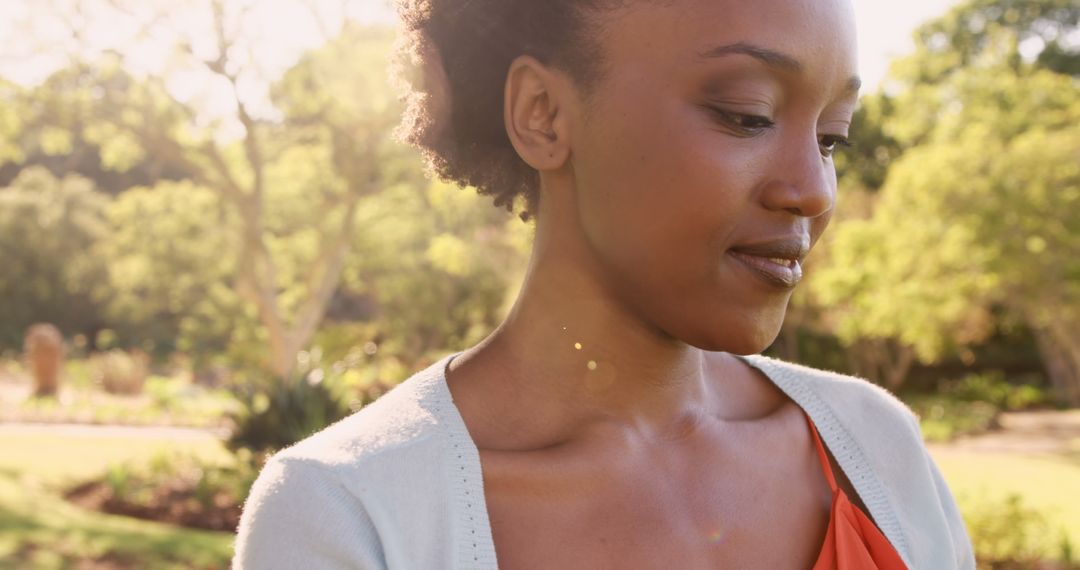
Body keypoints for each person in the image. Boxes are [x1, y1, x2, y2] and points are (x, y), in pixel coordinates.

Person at [234, 0, 975, 568]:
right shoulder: (350, 514)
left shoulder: (875, 448)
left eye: (831, 137)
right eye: (746, 115)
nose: (814, 191)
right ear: (544, 114)